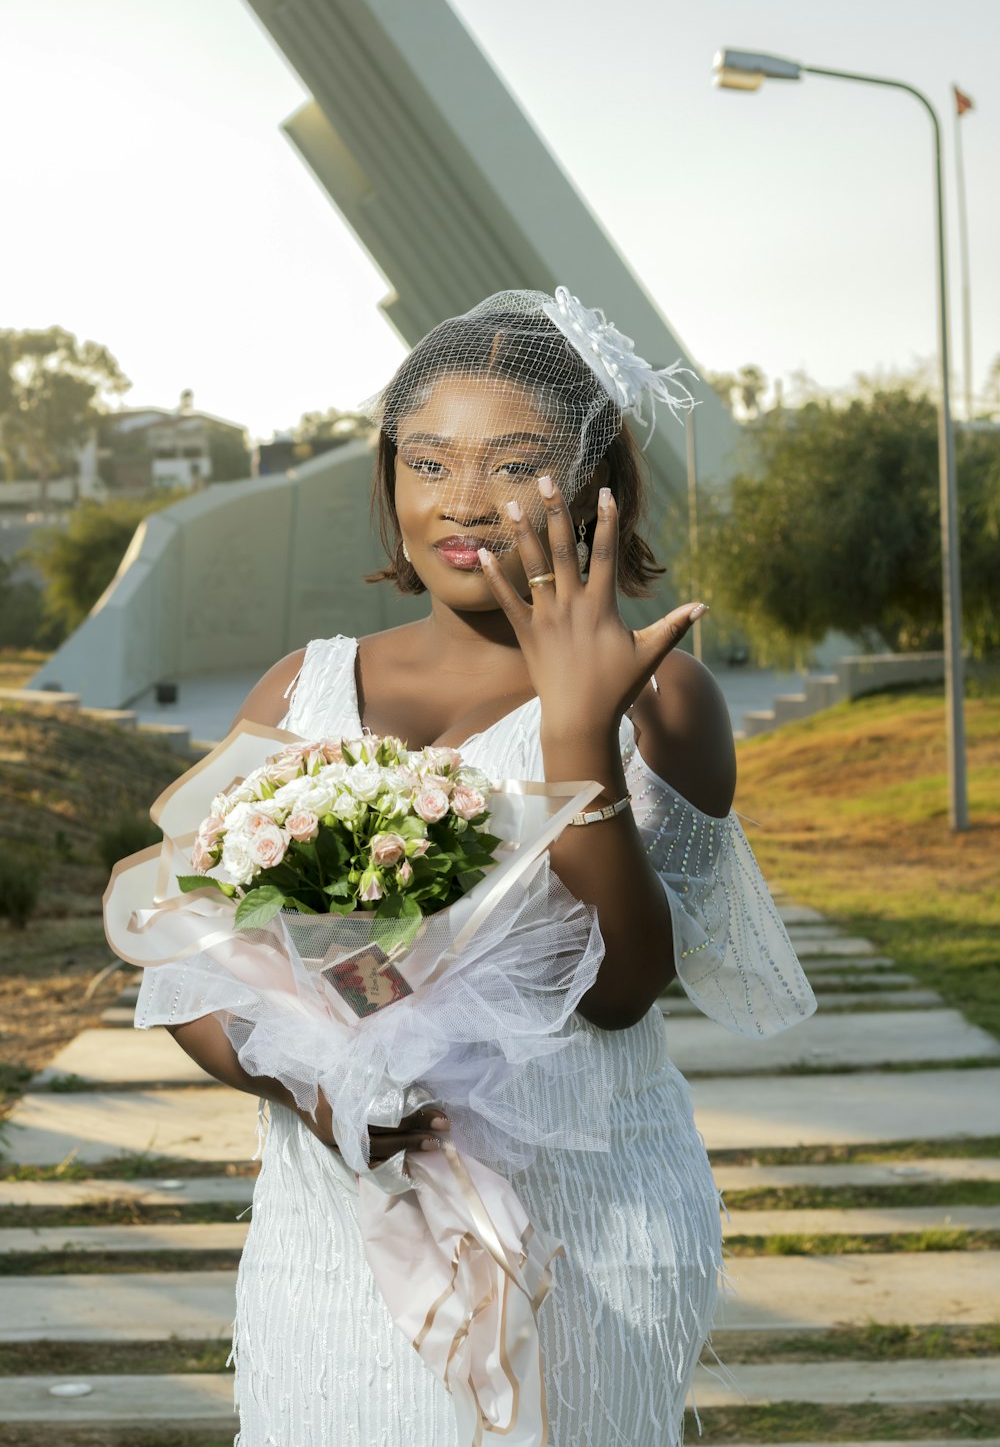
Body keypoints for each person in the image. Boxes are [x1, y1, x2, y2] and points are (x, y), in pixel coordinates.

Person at [158, 288, 815, 1446]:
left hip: (589, 1219)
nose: (463, 501)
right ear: (389, 477)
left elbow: (620, 991)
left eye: (515, 466)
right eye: (428, 462)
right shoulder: (299, 691)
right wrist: (306, 1088)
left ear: (593, 481)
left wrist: (576, 736)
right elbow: (185, 954)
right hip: (340, 1220)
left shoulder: (664, 702)